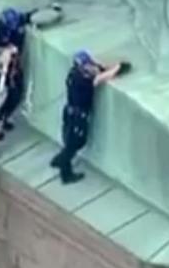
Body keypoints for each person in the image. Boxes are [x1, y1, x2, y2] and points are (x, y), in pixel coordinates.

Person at [50, 51, 132, 184]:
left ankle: (65, 172)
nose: (90, 66)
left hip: (70, 112)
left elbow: (100, 69)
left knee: (69, 141)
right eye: (87, 64)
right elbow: (101, 77)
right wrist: (119, 68)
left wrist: (112, 67)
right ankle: (60, 161)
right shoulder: (83, 80)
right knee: (76, 143)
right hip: (78, 115)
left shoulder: (73, 73)